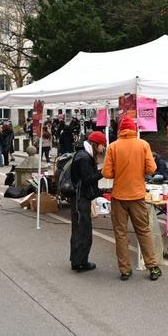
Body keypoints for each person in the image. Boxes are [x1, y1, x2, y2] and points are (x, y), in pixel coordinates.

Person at [101, 116, 162, 281]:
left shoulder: (113, 147)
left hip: (119, 195)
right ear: (134, 129)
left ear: (121, 129)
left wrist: (118, 172)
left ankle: (125, 270)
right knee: (143, 231)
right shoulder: (143, 145)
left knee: (120, 233)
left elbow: (106, 173)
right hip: (137, 195)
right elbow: (152, 168)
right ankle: (153, 266)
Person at [69, 131, 107, 272]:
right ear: (96, 144)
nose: (103, 148)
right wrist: (102, 172)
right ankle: (80, 262)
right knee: (83, 231)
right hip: (80, 199)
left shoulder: (83, 154)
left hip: (79, 197)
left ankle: (77, 260)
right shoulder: (84, 157)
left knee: (79, 230)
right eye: (102, 145)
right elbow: (87, 179)